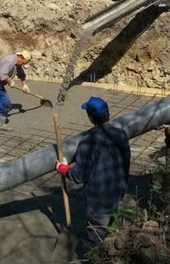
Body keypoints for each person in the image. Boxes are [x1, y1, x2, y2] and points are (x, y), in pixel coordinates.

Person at [55, 96, 131, 246]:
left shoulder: (88, 142)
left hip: (98, 199)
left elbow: (78, 176)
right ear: (108, 114)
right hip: (117, 190)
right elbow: (125, 162)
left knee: (97, 236)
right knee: (113, 226)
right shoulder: (120, 134)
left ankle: (98, 254)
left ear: (90, 118)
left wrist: (63, 169)